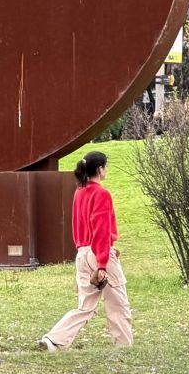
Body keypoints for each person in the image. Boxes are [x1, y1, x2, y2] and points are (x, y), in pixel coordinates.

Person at [39, 150, 133, 351]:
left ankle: (53, 340)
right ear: (100, 169)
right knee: (118, 302)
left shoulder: (79, 192)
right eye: (105, 167)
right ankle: (124, 346)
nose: (106, 170)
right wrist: (102, 263)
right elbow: (101, 229)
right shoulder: (102, 194)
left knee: (85, 307)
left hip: (82, 253)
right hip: (99, 252)